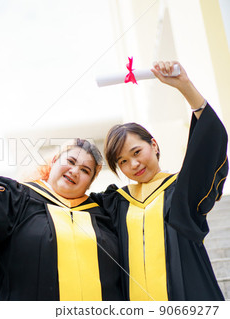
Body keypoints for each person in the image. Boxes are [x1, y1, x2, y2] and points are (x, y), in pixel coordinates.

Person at [91, 61, 228, 301]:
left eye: (136, 152)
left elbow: (209, 140)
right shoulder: (116, 203)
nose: (133, 165)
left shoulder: (182, 190)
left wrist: (184, 85)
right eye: (122, 161)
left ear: (153, 145)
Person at [0, 120, 124, 300]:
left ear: (90, 183)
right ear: (55, 161)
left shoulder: (102, 213)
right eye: (71, 161)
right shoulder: (17, 197)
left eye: (85, 170)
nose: (74, 171)